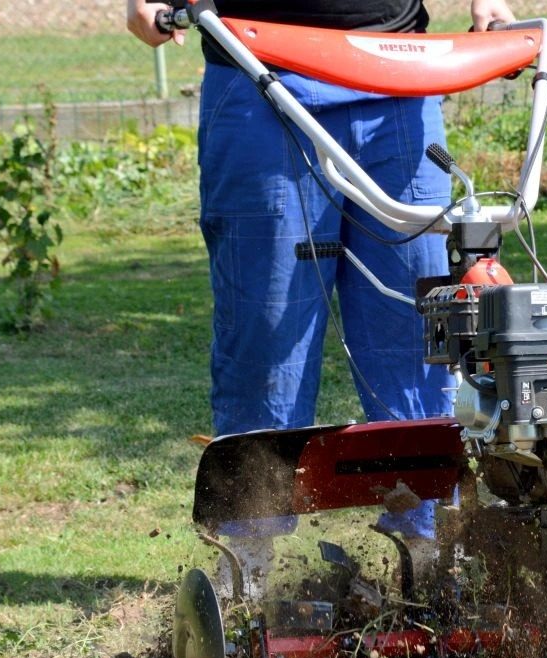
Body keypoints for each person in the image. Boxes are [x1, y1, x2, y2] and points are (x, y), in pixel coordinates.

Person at [126, 0, 515, 599]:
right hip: (260, 65)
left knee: (419, 329)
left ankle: (429, 553)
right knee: (267, 332)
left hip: (397, 73)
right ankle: (248, 564)